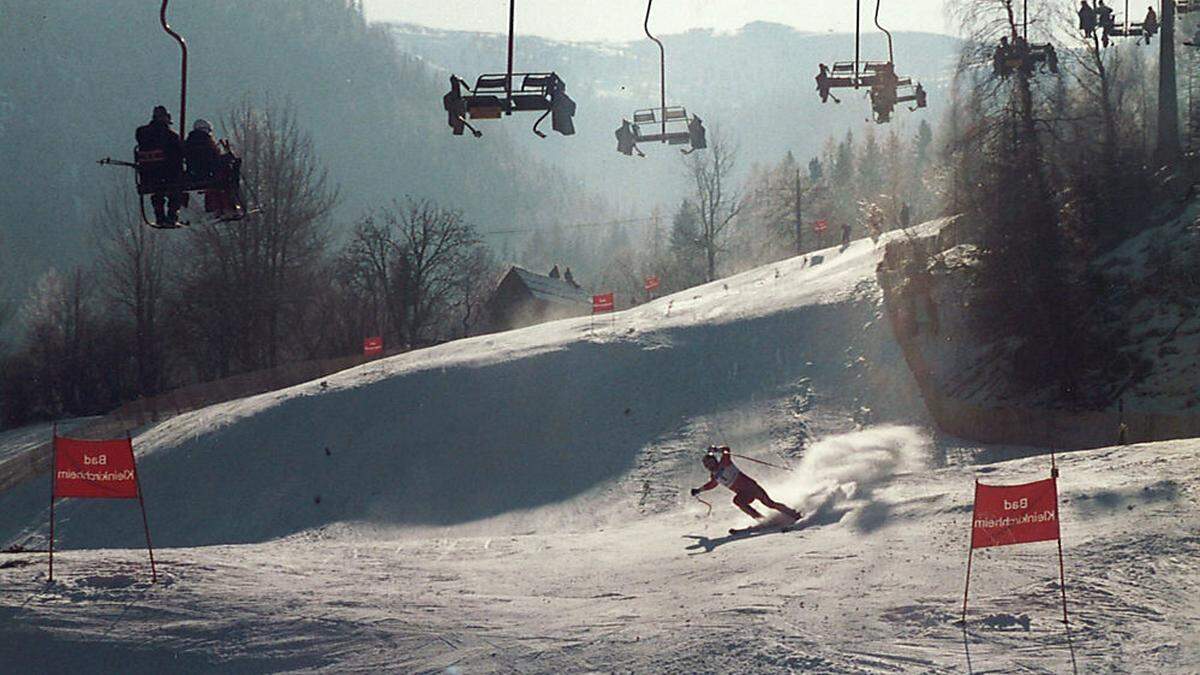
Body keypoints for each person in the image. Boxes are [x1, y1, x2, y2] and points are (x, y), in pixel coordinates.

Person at [690, 446, 801, 522]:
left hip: (752, 487)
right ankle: (761, 519)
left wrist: (716, 449)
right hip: (744, 493)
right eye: (706, 465)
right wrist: (699, 490)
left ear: (715, 460)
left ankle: (794, 514)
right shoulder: (714, 476)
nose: (708, 466)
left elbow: (726, 449)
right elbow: (712, 485)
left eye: (709, 462)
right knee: (737, 501)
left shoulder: (725, 462)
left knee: (769, 504)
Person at [135, 105, 185, 226]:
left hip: (147, 175)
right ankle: (172, 216)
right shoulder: (171, 136)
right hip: (168, 175)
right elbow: (179, 155)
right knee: (176, 191)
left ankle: (160, 217)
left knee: (158, 194)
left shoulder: (141, 132)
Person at [184, 118, 240, 219]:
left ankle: (215, 207)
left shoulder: (189, 142)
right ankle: (227, 207)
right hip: (207, 174)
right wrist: (227, 157)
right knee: (225, 178)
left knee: (217, 180)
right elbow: (212, 161)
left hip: (194, 174)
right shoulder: (205, 142)